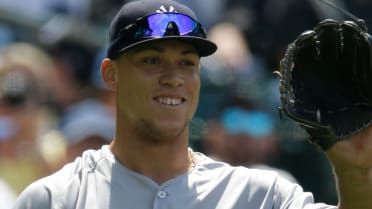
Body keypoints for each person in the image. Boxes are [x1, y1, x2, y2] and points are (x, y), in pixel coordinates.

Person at [12, 0, 372, 208]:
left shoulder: (261, 195)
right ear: (111, 75)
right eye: (152, 60)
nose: (174, 77)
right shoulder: (56, 199)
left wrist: (354, 172)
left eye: (187, 62)